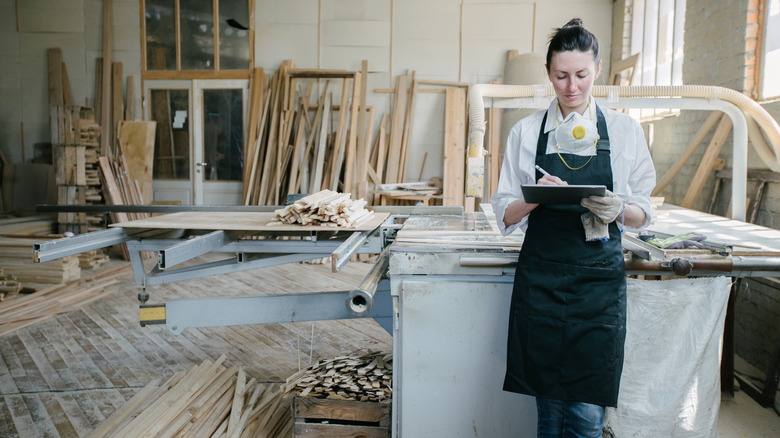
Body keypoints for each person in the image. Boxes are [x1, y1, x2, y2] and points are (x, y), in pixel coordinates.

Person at [490, 18, 656, 437]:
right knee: (549, 405)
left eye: (581, 75)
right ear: (548, 74)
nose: (571, 87)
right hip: (542, 279)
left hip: (597, 285)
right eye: (561, 76)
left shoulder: (623, 131)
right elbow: (505, 214)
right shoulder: (527, 132)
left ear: (597, 70)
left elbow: (643, 213)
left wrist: (618, 208)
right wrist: (537, 196)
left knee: (585, 410)